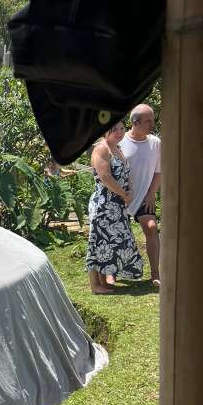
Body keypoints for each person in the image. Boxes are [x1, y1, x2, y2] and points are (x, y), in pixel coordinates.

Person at [86, 122, 143, 294]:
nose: (119, 132)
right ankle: (95, 284)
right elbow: (105, 177)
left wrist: (129, 191)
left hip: (116, 205)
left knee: (109, 243)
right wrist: (124, 194)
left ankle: (103, 281)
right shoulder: (101, 149)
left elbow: (125, 174)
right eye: (114, 129)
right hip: (104, 205)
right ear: (106, 131)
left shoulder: (117, 148)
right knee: (98, 243)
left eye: (122, 129)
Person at [118, 103, 161, 288]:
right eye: (148, 121)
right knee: (116, 234)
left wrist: (151, 194)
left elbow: (158, 171)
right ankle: (110, 272)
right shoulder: (120, 142)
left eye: (153, 120)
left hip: (145, 197)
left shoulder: (156, 143)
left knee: (151, 228)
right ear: (135, 123)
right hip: (120, 197)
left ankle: (155, 273)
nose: (152, 124)